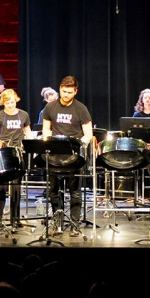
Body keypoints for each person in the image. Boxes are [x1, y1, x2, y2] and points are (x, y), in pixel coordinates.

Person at [41, 76, 94, 224]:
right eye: (64, 91)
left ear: (75, 91)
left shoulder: (81, 109)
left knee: (75, 191)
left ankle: (74, 223)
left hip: (73, 156)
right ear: (59, 89)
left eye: (70, 92)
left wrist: (77, 144)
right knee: (53, 189)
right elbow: (46, 129)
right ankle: (58, 221)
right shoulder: (50, 107)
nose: (66, 95)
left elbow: (88, 134)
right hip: (55, 155)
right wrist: (48, 139)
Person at [0, 89, 30, 230]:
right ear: (3, 103)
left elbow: (28, 133)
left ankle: (15, 219)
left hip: (18, 154)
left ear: (16, 100)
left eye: (12, 102)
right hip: (2, 155)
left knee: (16, 188)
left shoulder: (24, 115)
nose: (10, 105)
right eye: (7, 103)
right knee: (0, 187)